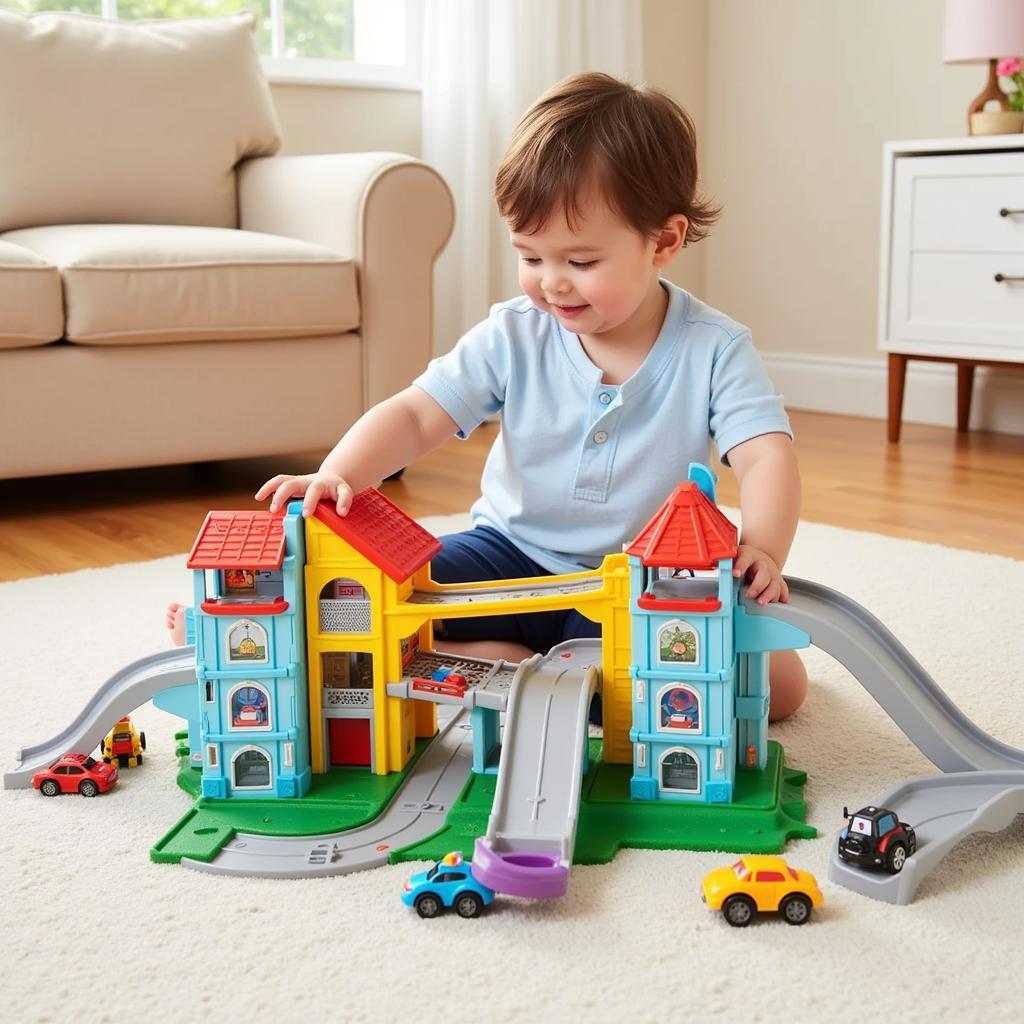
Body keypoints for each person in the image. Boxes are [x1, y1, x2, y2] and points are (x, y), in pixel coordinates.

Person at [252, 72, 807, 720]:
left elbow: (766, 456)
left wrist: (763, 549)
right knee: (380, 600)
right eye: (530, 255)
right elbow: (415, 413)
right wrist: (338, 473)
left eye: (579, 261)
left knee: (779, 688)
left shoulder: (714, 348)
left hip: (639, 583)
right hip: (509, 557)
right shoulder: (514, 331)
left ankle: (538, 672)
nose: (551, 284)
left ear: (663, 241)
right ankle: (530, 666)